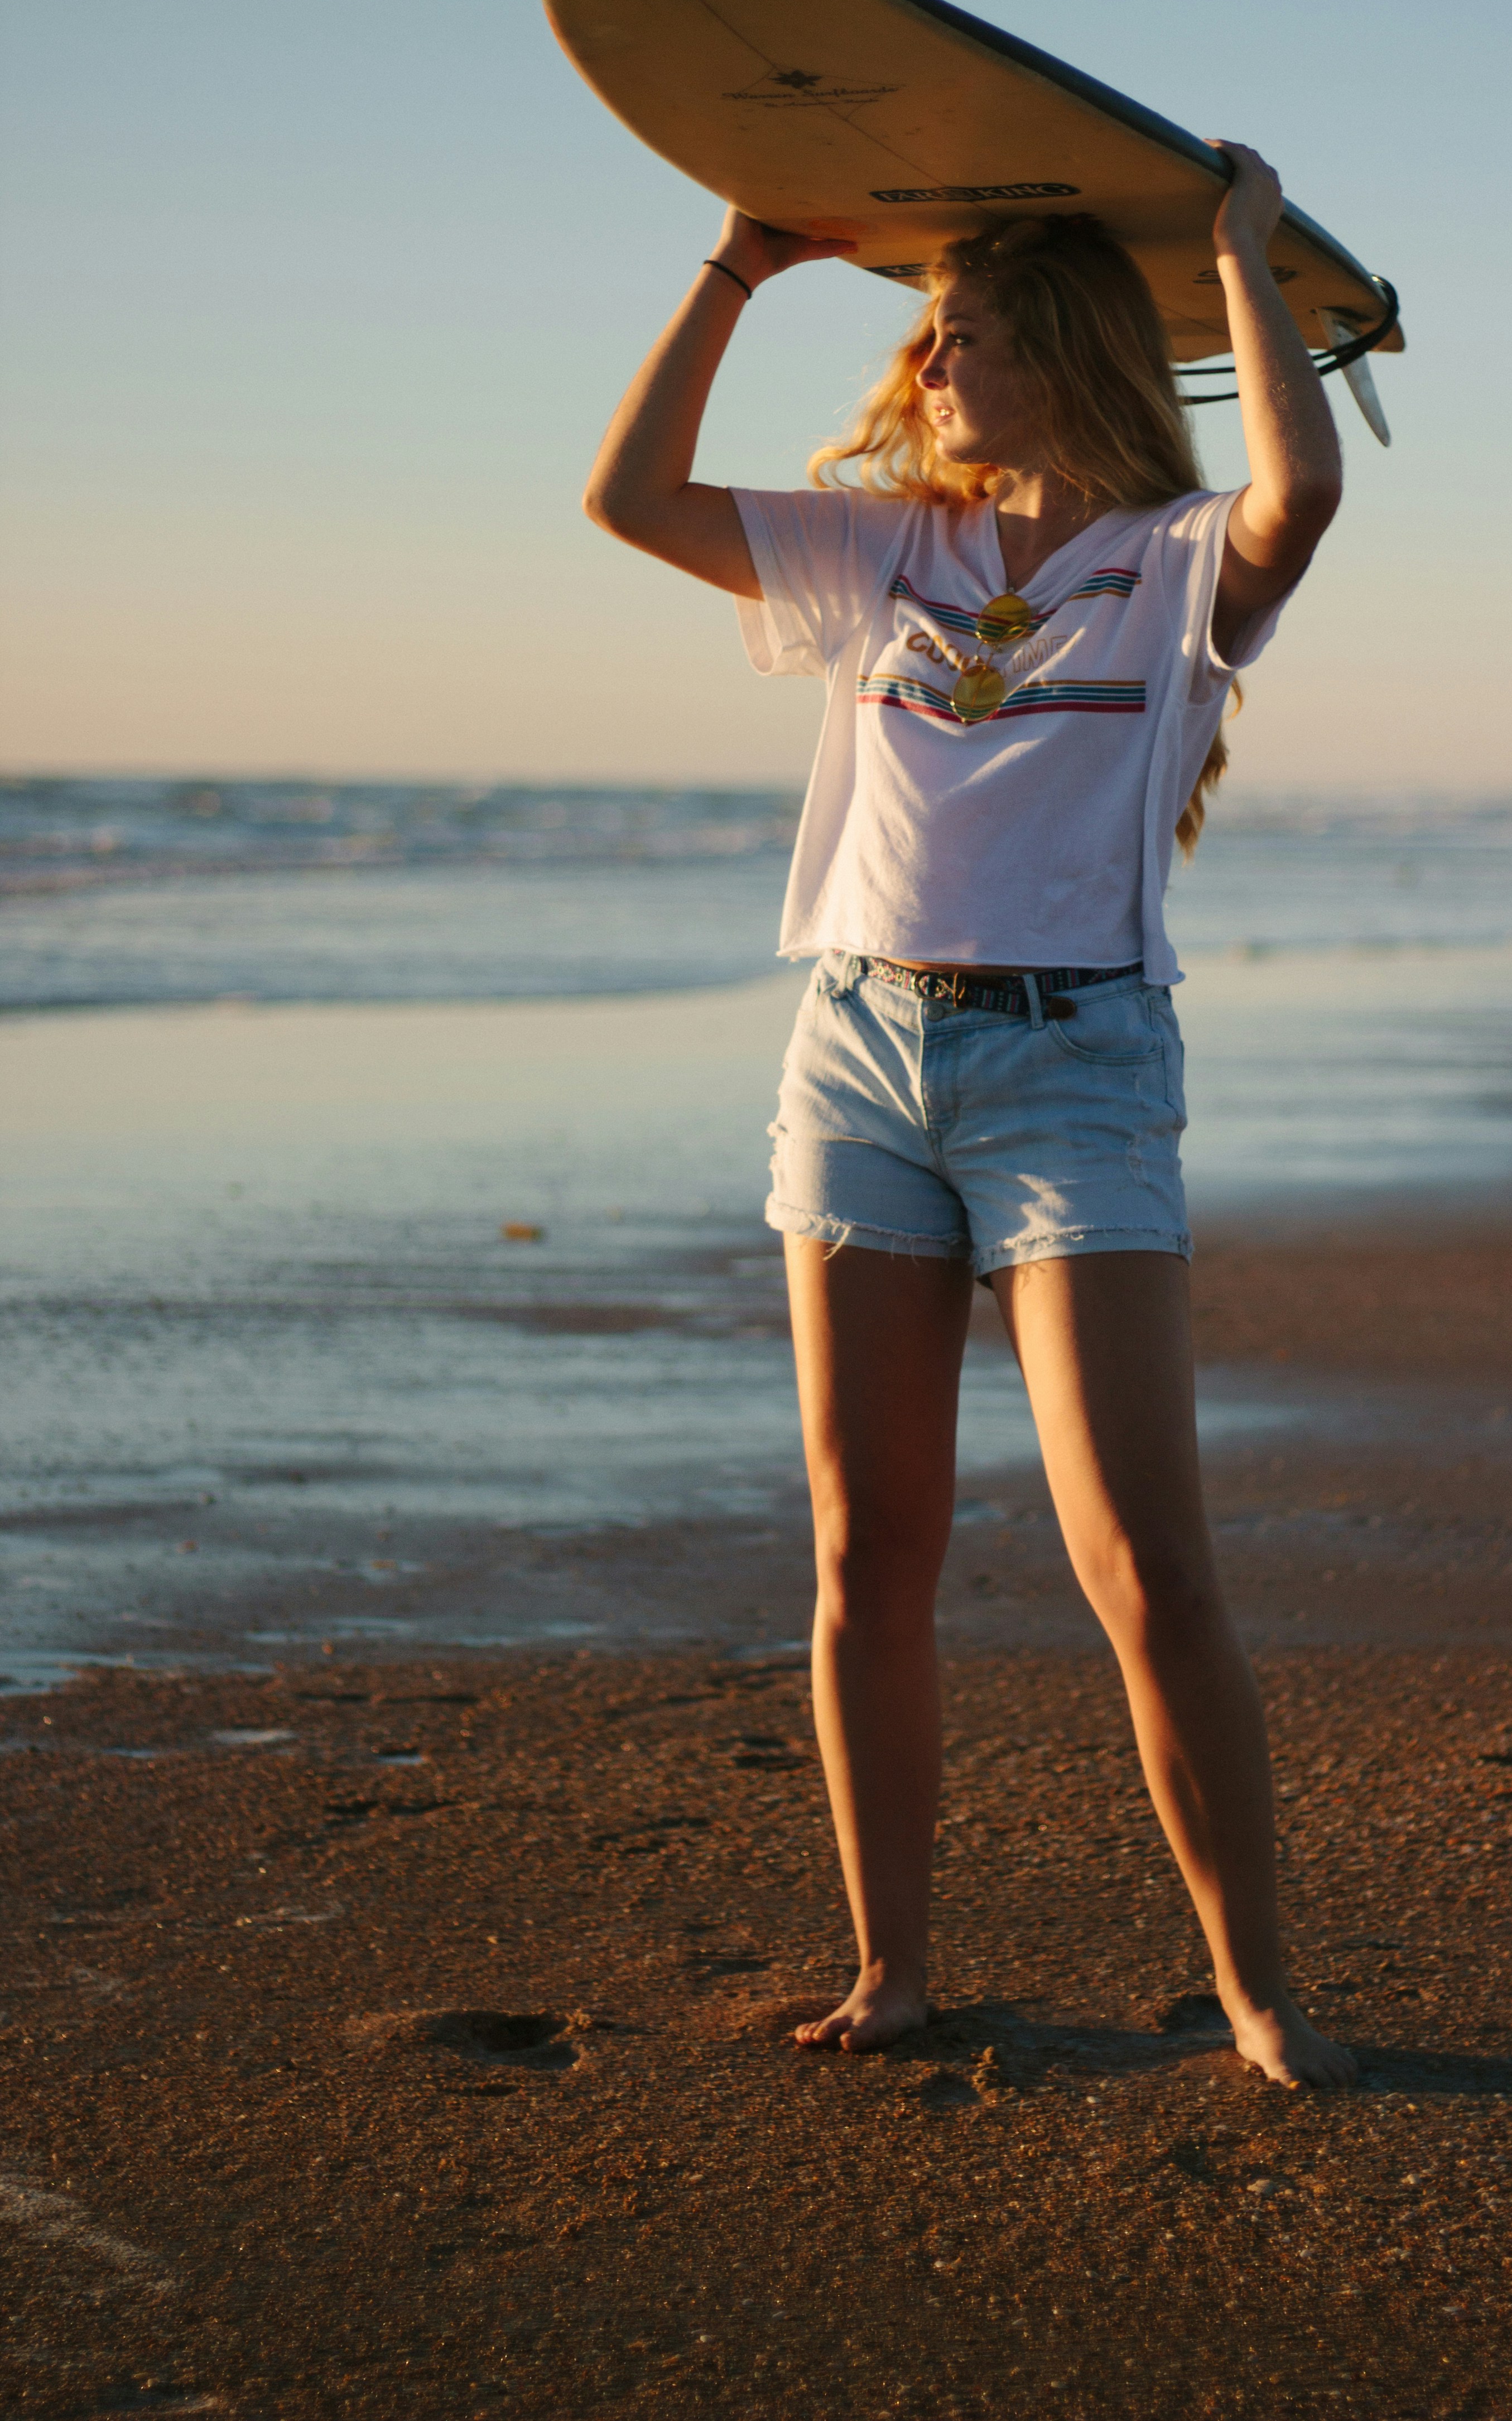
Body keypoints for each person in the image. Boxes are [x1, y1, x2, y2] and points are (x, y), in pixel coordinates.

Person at [582, 143, 1356, 2091]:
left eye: (971, 331)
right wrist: (740, 265)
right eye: (927, 332)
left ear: (1070, 352)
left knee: (1140, 1563)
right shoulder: (882, 556)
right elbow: (628, 499)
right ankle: (894, 1969)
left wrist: (1243, 258)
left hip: (1075, 1074)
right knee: (870, 1550)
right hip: (857, 1062)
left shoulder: (1174, 568)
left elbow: (1304, 487)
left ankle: (1257, 1989)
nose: (933, 359)